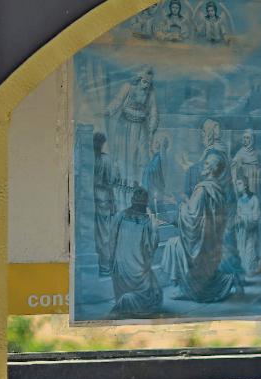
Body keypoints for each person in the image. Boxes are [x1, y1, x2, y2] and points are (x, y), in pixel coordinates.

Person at [159, 148, 238, 304]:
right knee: (175, 244)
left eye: (207, 163)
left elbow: (191, 218)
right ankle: (186, 287)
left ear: (212, 169)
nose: (203, 165)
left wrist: (179, 204)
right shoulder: (218, 190)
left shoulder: (203, 189)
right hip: (211, 244)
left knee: (172, 245)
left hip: (199, 246)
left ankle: (184, 288)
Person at [104, 66, 158, 201]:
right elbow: (117, 101)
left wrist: (151, 129)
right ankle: (122, 191)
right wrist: (108, 111)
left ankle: (137, 191)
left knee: (140, 158)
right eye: (144, 82)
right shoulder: (128, 87)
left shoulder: (150, 93)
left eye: (149, 83)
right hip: (125, 127)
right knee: (123, 156)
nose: (146, 86)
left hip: (141, 129)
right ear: (139, 79)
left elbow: (153, 112)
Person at [109, 184, 163, 316]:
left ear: (132, 201)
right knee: (153, 295)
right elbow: (151, 246)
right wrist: (155, 228)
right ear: (145, 204)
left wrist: (113, 259)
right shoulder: (147, 222)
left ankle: (125, 304)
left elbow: (112, 240)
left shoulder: (121, 216)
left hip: (121, 265)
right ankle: (132, 305)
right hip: (138, 268)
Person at [91, 132, 116, 276]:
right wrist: (113, 203)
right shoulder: (105, 159)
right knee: (103, 235)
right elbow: (110, 182)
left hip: (96, 199)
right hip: (102, 199)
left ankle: (104, 266)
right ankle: (105, 266)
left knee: (101, 235)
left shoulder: (91, 158)